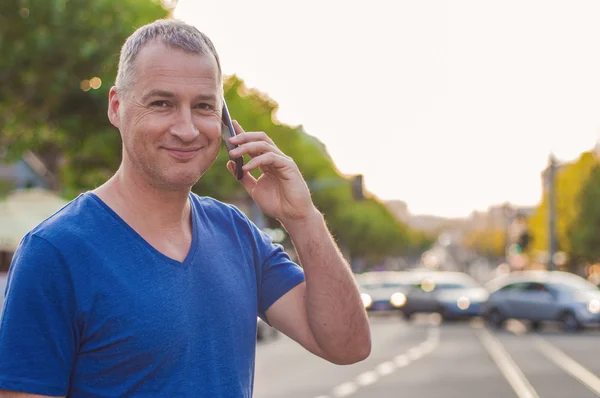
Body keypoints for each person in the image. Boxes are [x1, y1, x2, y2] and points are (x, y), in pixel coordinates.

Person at [0, 19, 371, 397]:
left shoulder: (238, 234)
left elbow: (347, 345)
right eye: (162, 103)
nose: (187, 128)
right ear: (116, 106)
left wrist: (302, 218)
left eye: (204, 106)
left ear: (225, 123)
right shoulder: (55, 252)